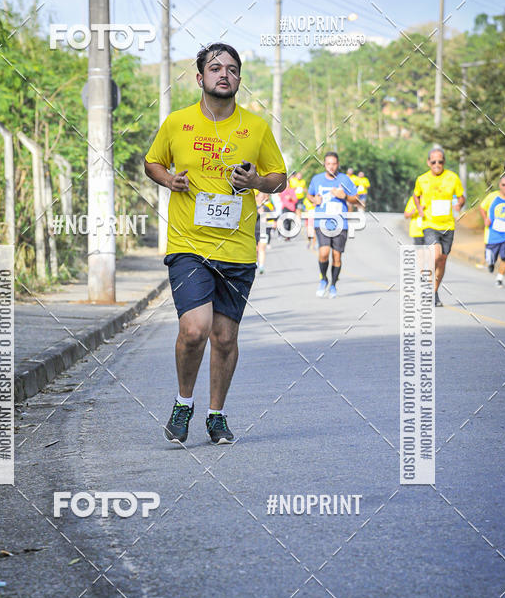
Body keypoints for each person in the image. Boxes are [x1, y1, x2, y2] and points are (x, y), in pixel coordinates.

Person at [144, 42, 286, 444]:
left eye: (232, 69)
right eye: (216, 67)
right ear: (200, 77)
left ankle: (216, 415)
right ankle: (183, 402)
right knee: (195, 329)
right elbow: (152, 160)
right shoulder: (178, 122)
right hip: (188, 243)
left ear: (239, 79)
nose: (224, 74)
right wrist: (168, 179)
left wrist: (257, 182)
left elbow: (280, 177)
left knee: (225, 337)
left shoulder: (255, 128)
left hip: (238, 247)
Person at [413, 146, 465, 307]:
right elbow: (416, 195)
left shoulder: (452, 177)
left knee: (442, 260)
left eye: (440, 161)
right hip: (430, 224)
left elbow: (461, 197)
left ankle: (433, 292)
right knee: (435, 255)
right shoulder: (422, 179)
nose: (437, 164)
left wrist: (459, 206)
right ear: (428, 162)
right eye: (434, 161)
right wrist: (420, 208)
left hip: (448, 225)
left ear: (444, 162)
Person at [307, 152, 359, 299]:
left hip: (340, 223)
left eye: (334, 163)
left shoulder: (344, 179)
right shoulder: (317, 179)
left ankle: (334, 285)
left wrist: (345, 196)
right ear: (324, 164)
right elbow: (309, 195)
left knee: (337, 256)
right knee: (323, 253)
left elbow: (356, 199)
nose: (331, 166)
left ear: (338, 164)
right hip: (321, 221)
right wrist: (314, 200)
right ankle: (323, 279)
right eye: (328, 163)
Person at [480, 175, 505, 288]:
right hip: (492, 235)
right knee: (490, 258)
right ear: (499, 186)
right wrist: (485, 219)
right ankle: (490, 263)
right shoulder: (492, 197)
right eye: (504, 185)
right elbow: (482, 207)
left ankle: (499, 279)